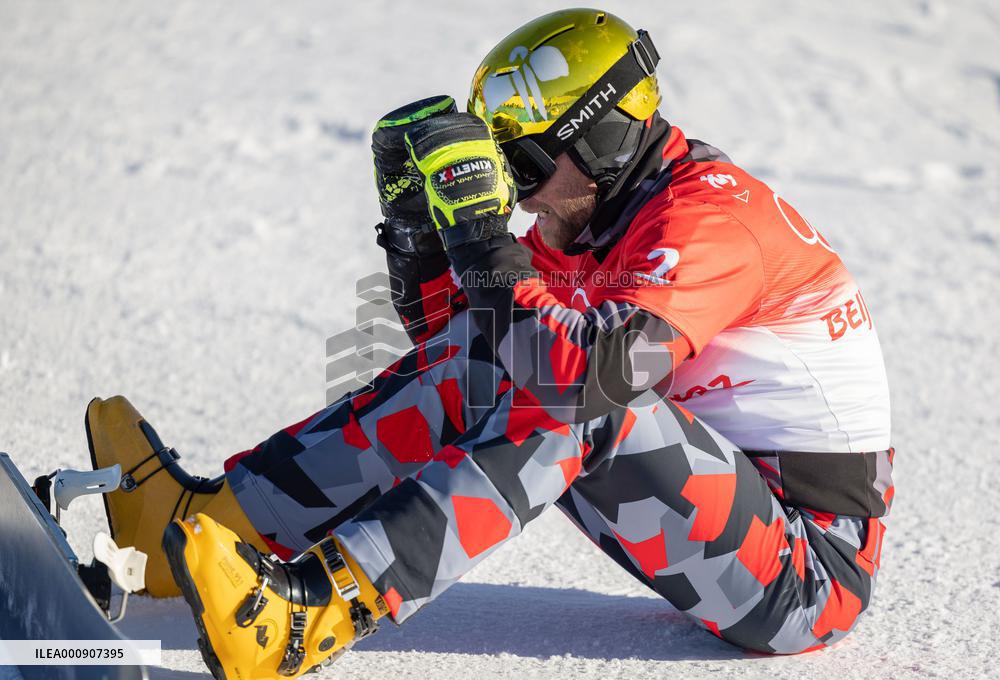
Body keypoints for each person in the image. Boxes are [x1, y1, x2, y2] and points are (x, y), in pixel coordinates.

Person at [86, 9, 894, 679]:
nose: (517, 190)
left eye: (527, 161)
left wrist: (480, 237)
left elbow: (580, 390)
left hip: (806, 574)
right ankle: (210, 524)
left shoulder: (713, 221)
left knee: (582, 397)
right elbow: (461, 350)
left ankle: (309, 618)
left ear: (605, 137)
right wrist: (420, 234)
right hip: (722, 521)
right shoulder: (593, 218)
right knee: (509, 348)